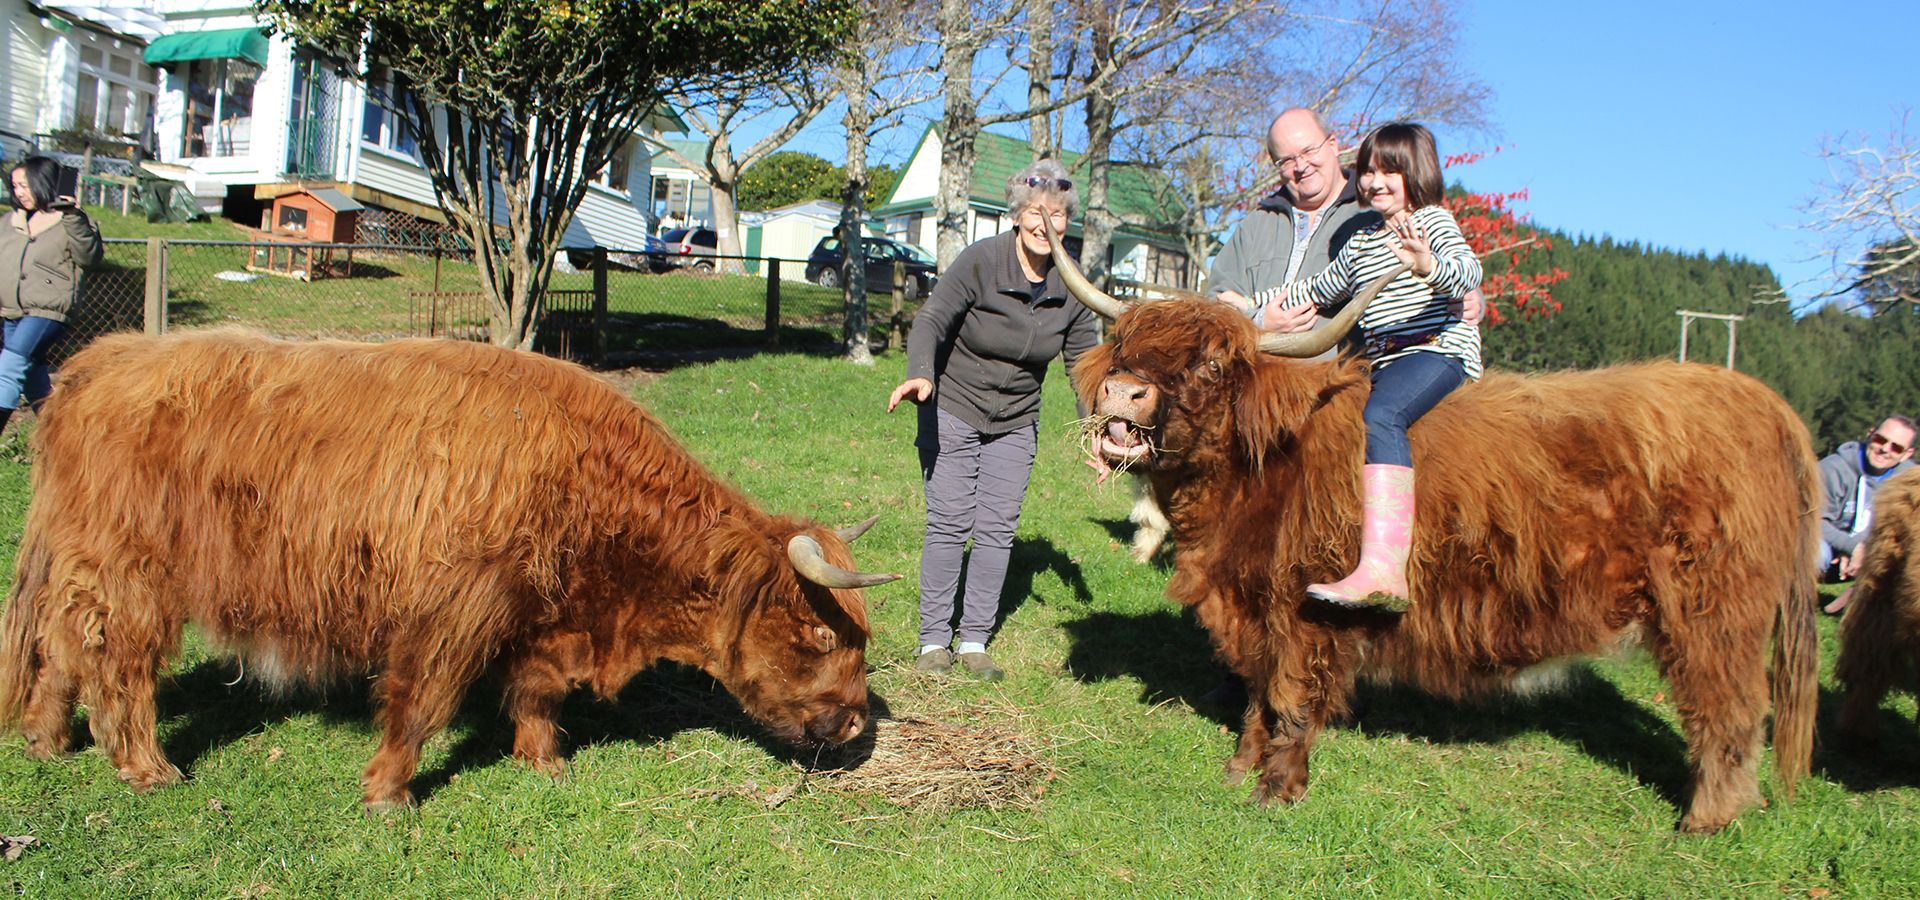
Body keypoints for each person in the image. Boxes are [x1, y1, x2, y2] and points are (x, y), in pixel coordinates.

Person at [886, 159, 1100, 681]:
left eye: (1057, 214)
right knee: (950, 522)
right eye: (1034, 211)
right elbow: (932, 319)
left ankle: (975, 641)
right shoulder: (981, 261)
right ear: (1016, 214)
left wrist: (1098, 431)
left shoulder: (1072, 285)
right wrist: (920, 374)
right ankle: (934, 640)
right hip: (954, 404)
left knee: (996, 530)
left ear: (1068, 221)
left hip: (1017, 419)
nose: (1044, 223)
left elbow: (1083, 367)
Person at [1263, 122, 1482, 612]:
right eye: (1367, 171)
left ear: (1417, 174)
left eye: (1390, 171)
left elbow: (1468, 272)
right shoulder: (1361, 241)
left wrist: (1428, 267)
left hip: (1435, 350)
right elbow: (1315, 291)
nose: (1375, 182)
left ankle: (1385, 570)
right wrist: (1249, 313)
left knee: (1381, 415)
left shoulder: (1433, 223)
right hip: (1382, 362)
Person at [1208, 108, 1380, 357]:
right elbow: (1216, 307)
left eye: (1309, 151)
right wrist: (1259, 324)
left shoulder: (1375, 213)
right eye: (1287, 160)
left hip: (1343, 384)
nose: (1301, 166)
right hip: (1257, 385)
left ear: (1333, 145)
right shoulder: (1255, 225)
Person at [0, 156, 102, 432]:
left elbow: (90, 257)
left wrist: (74, 216)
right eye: (14, 186)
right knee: (33, 378)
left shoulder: (70, 220)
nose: (18, 192)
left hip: (47, 310)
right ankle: (59, 437)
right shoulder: (9, 221)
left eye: (24, 185)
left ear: (41, 182)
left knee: (8, 367)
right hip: (11, 312)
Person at [1817, 415, 1917, 614]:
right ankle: (1794, 602)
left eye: (1896, 447)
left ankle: (1874, 611)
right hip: (1829, 550)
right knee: (1815, 554)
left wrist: (1864, 548)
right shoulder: (1832, 468)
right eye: (1880, 439)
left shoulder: (1910, 481)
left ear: (1907, 454)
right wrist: (1851, 546)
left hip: (1872, 552)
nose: (1885, 449)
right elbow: (1812, 521)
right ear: (1870, 434)